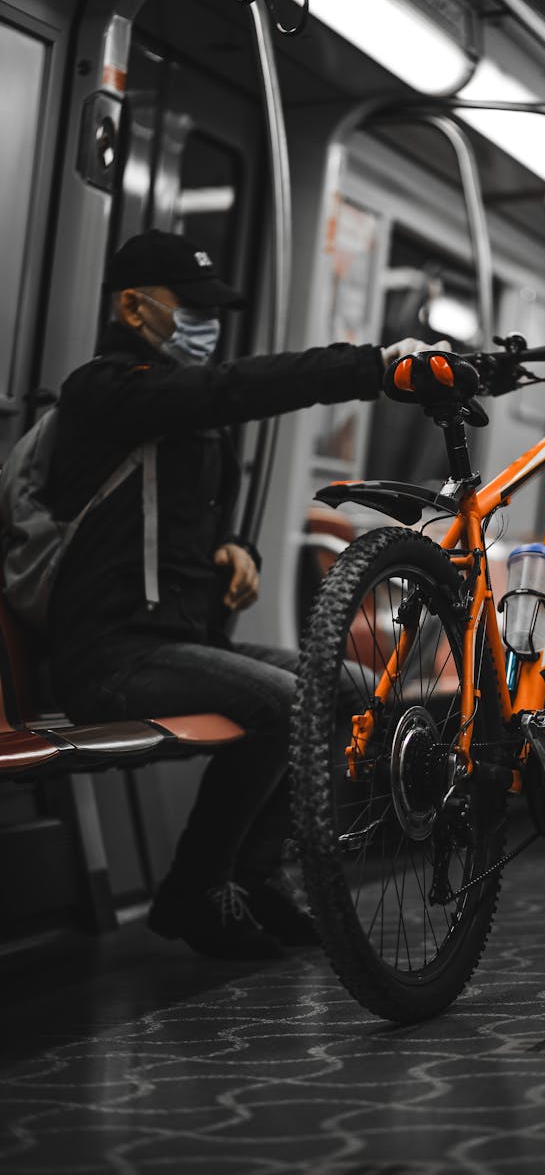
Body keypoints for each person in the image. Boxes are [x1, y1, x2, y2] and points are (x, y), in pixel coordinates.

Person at [45, 228, 431, 960]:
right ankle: (198, 889)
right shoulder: (102, 391)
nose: (208, 323)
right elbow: (224, 389)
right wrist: (369, 368)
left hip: (182, 642)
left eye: (212, 307)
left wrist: (237, 550)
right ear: (132, 307)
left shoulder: (179, 421)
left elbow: (181, 524)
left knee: (350, 684)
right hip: (111, 653)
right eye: (189, 306)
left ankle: (255, 876)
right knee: (289, 705)